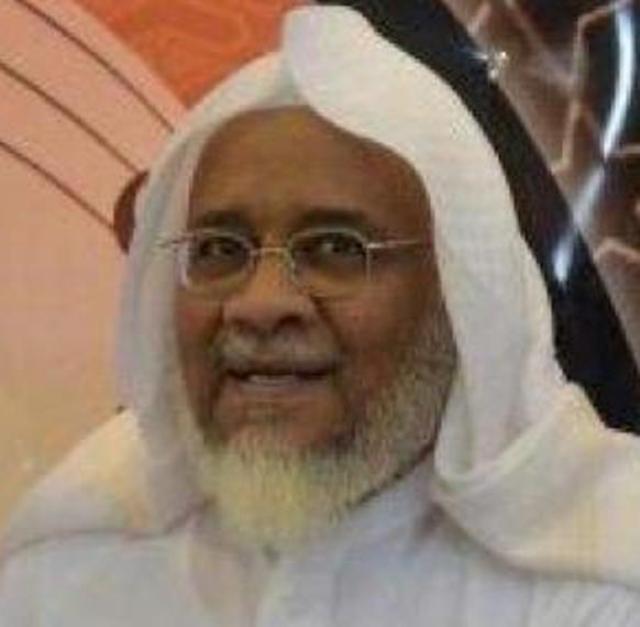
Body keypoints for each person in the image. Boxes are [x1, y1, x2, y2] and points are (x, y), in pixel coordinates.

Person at [2, 5, 640, 625]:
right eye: (220, 250)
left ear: (455, 292)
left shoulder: (600, 584)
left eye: (336, 248)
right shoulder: (69, 569)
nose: (258, 305)